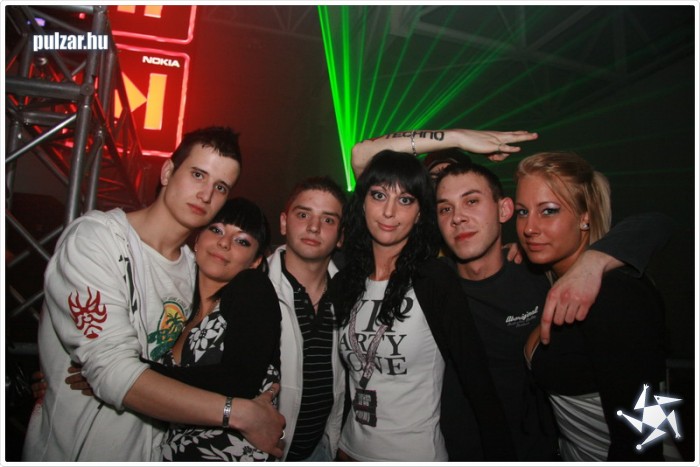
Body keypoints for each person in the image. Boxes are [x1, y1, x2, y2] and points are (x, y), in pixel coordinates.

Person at [23, 127, 285, 462]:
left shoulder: (194, 270)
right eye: (198, 174)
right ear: (167, 172)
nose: (206, 194)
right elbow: (112, 371)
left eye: (220, 187)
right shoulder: (96, 240)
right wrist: (238, 413)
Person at [330, 150, 515, 461]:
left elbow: (478, 384)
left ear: (419, 213)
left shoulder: (434, 280)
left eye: (405, 200)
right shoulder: (344, 283)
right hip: (348, 451)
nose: (389, 211)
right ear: (362, 203)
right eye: (378, 195)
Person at [515, 151, 666, 461]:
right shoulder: (547, 279)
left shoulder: (613, 294)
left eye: (548, 211)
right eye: (522, 212)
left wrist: (593, 262)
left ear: (585, 216)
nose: (529, 227)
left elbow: (644, 433)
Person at [146, 197, 282, 461]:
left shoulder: (252, 287)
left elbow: (239, 380)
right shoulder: (179, 310)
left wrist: (130, 374)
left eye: (242, 241)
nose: (224, 243)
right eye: (217, 229)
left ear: (255, 261)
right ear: (197, 239)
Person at [268, 176, 346, 461]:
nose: (314, 227)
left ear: (341, 236)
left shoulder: (350, 297)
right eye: (303, 215)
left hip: (321, 451)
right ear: (284, 222)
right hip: (261, 454)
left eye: (328, 220)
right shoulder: (255, 289)